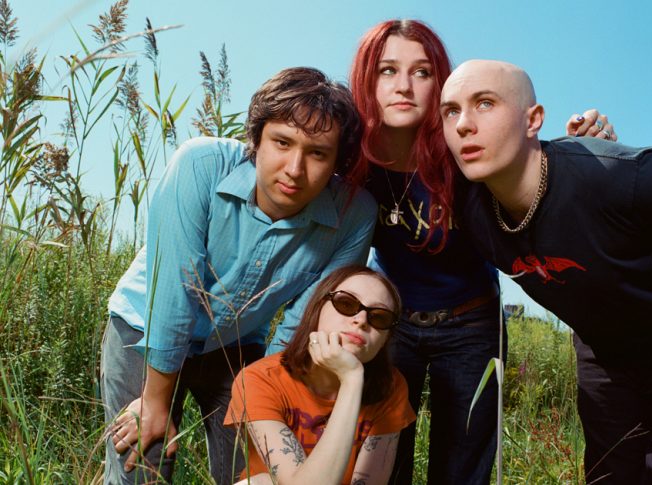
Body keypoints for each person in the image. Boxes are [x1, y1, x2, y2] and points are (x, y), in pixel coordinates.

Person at [347, 19, 616, 484]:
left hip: (472, 326)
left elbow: (529, 163)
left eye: (423, 72)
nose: (405, 87)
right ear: (367, 78)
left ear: (442, 83)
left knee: (463, 467)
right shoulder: (352, 158)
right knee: (379, 465)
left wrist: (586, 148)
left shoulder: (465, 148)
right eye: (387, 70)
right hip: (392, 325)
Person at [441, 59, 652, 483]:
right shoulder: (469, 209)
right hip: (604, 350)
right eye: (451, 111)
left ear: (533, 120)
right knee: (607, 471)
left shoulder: (615, 173)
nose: (464, 124)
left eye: (485, 103)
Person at [101, 67, 377, 484]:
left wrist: (265, 398)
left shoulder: (355, 214)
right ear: (256, 139)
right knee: (144, 467)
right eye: (282, 143)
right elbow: (174, 290)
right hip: (144, 328)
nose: (295, 169)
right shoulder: (199, 164)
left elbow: (302, 322)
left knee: (253, 473)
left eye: (318, 153)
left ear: (338, 160)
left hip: (234, 344)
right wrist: (156, 404)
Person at [225, 265, 415, 485]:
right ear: (316, 309)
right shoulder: (259, 380)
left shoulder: (390, 387)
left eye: (379, 317)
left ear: (385, 339)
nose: (361, 320)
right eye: (346, 304)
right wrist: (352, 379)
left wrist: (350, 379)